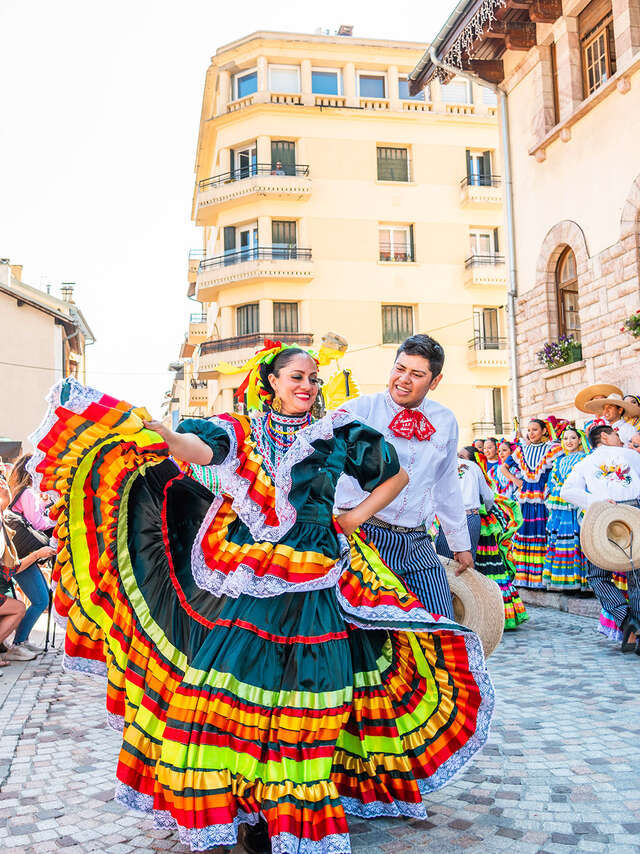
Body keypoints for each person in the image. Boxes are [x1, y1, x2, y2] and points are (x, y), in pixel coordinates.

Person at [29, 349, 494, 854]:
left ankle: (286, 807)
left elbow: (394, 476)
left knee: (310, 693)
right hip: (254, 578)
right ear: (271, 380)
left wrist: (354, 519)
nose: (308, 386)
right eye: (297, 377)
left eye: (314, 379)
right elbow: (196, 450)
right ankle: (246, 807)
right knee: (229, 691)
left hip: (316, 575)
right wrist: (164, 433)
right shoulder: (240, 429)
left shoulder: (339, 432)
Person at [334, 334, 473, 620]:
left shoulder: (445, 420)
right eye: (400, 369)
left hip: (418, 542)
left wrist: (460, 545)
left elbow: (446, 483)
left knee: (441, 628)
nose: (404, 380)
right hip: (365, 538)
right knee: (372, 637)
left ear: (435, 381)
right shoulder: (357, 411)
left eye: (417, 374)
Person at [561, 424, 640, 651]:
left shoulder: (585, 462)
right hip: (633, 513)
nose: (620, 439)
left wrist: (596, 502)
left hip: (602, 516)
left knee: (597, 576)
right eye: (616, 435)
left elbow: (566, 491)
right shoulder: (631, 456)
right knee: (636, 574)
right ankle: (637, 627)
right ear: (604, 436)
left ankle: (627, 621)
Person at [0, 473, 54, 663]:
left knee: (41, 598)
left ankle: (21, 641)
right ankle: (18, 643)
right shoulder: (27, 493)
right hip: (25, 555)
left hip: (22, 555)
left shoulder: (9, 507)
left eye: (3, 478)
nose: (3, 483)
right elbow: (37, 522)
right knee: (39, 600)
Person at [509, 420, 561, 589]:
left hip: (543, 496)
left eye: (535, 430)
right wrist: (516, 481)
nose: (531, 433)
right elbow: (505, 467)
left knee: (542, 532)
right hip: (525, 496)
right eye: (529, 430)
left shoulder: (552, 448)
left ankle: (541, 578)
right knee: (524, 531)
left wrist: (550, 487)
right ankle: (524, 577)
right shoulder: (522, 449)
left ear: (544, 430)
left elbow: (557, 470)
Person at [543, 426, 590, 592]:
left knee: (578, 541)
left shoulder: (586, 459)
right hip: (560, 507)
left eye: (573, 438)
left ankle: (582, 582)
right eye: (565, 438)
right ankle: (565, 581)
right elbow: (551, 481)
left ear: (580, 440)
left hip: (576, 506)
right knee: (561, 540)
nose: (569, 441)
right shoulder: (559, 461)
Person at [435, 446, 494, 562]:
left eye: (461, 457)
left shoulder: (446, 465)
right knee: (467, 562)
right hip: (471, 516)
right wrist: (487, 510)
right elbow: (488, 497)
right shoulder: (475, 467)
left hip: (448, 517)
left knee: (445, 560)